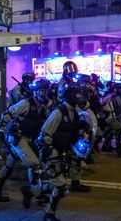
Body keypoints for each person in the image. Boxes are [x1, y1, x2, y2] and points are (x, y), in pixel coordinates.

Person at [0, 79, 51, 206]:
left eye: (46, 92)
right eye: (41, 92)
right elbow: (8, 113)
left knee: (9, 165)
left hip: (29, 138)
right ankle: (37, 195)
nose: (44, 95)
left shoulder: (43, 107)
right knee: (34, 164)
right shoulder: (26, 104)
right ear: (35, 92)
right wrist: (1, 129)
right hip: (18, 137)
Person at [37, 82, 91, 221]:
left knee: (74, 170)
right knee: (60, 186)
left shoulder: (74, 113)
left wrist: (83, 127)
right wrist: (49, 153)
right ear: (66, 95)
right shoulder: (59, 112)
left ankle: (36, 192)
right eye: (75, 94)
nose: (78, 97)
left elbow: (72, 131)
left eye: (78, 94)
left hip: (62, 150)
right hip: (52, 152)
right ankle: (48, 215)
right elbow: (44, 135)